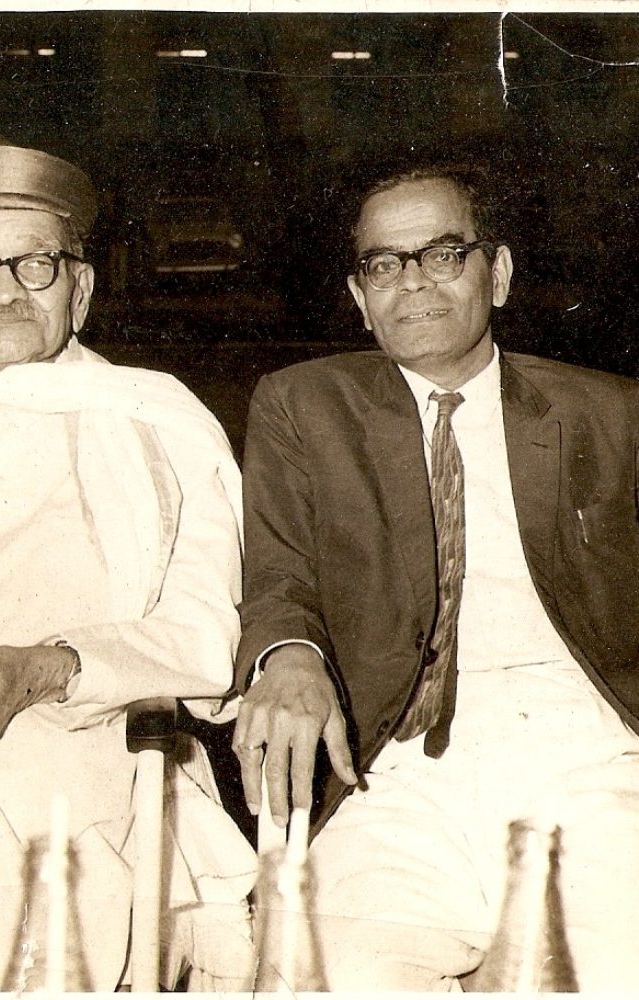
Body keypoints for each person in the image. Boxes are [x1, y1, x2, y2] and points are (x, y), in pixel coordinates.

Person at [0, 113, 256, 991]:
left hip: (79, 763)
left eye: (35, 265)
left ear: (83, 287)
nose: (3, 291)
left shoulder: (157, 417)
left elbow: (203, 637)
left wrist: (48, 668)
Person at [234, 163, 639, 991]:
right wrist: (287, 656)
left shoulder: (608, 413)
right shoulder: (301, 407)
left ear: (497, 273)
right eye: (384, 265)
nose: (410, 283)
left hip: (590, 758)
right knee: (336, 973)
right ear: (358, 295)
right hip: (402, 767)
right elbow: (277, 576)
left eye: (442, 255)